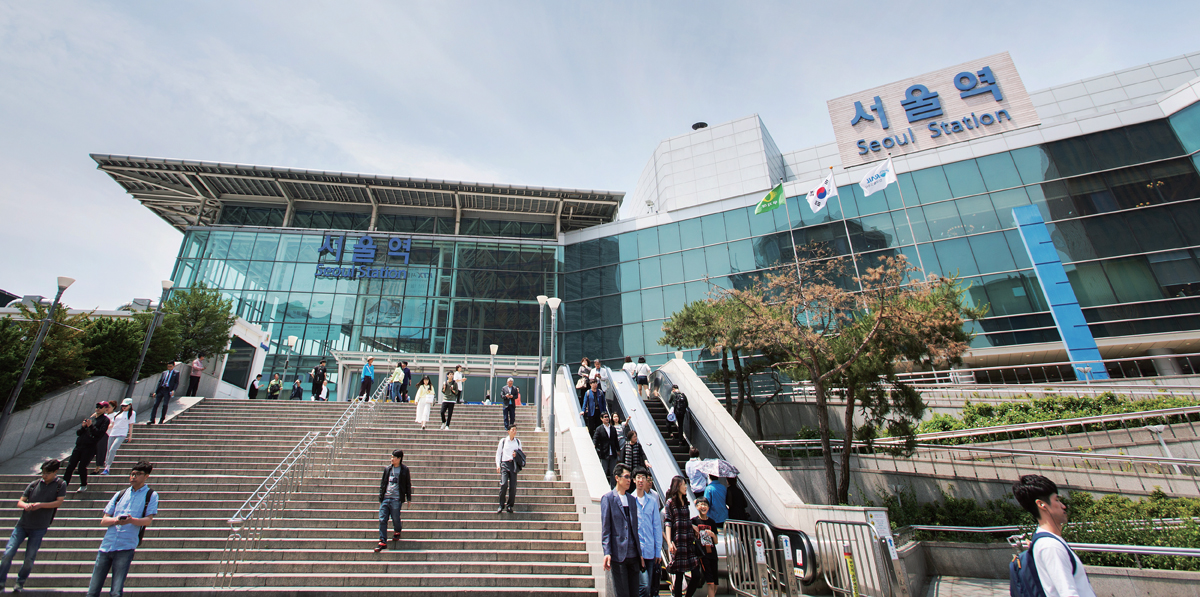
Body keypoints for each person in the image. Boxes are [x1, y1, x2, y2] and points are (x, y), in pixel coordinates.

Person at [1012, 475, 1095, 597]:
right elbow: (1068, 593)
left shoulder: (1046, 541)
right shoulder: (1050, 546)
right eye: (1057, 500)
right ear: (1041, 504)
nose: (1063, 506)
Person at [86, 461, 158, 597]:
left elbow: (148, 520)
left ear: (146, 476)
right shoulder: (120, 494)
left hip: (126, 546)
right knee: (92, 591)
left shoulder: (151, 495)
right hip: (106, 545)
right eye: (132, 474)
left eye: (138, 474)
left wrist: (132, 520)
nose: (133, 476)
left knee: (116, 591)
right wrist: (116, 520)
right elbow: (104, 520)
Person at [0, 459, 66, 592]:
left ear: (55, 472)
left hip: (39, 527)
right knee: (8, 553)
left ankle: (20, 582)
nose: (44, 476)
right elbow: (20, 501)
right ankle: (1, 582)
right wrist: (26, 505)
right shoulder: (34, 484)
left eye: (47, 473)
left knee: (29, 558)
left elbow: (58, 502)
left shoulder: (60, 484)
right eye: (43, 473)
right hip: (22, 525)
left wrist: (40, 505)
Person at [600, 463, 642, 597]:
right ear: (617, 478)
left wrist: (640, 553)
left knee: (635, 593)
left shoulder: (632, 500)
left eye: (630, 477)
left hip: (634, 554)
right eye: (626, 477)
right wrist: (607, 552)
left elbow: (635, 528)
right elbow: (606, 528)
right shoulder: (608, 499)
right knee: (622, 593)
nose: (629, 480)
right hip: (619, 555)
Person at [665, 475, 701, 597]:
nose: (686, 487)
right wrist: (669, 542)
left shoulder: (685, 502)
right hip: (678, 541)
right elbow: (668, 522)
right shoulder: (670, 503)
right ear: (677, 486)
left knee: (696, 575)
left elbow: (684, 519)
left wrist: (692, 526)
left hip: (688, 541)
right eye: (683, 484)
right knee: (679, 575)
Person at [64, 402, 110, 492]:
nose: (98, 408)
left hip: (90, 447)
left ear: (105, 409)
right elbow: (78, 433)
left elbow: (99, 434)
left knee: (82, 467)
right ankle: (64, 485)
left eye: (100, 407)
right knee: (70, 466)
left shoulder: (105, 420)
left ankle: (83, 485)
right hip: (79, 445)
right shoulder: (91, 418)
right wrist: (83, 427)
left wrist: (91, 426)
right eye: (97, 406)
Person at [374, 449, 412, 553]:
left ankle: (397, 530)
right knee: (382, 519)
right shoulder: (387, 469)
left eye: (394, 457)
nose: (392, 459)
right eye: (391, 457)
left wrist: (408, 498)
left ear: (399, 459)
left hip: (396, 499)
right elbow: (383, 484)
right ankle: (382, 540)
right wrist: (381, 497)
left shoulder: (404, 470)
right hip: (386, 498)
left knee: (395, 518)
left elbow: (408, 484)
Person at [632, 467, 662, 597]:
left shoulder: (652, 501)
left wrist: (658, 551)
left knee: (648, 587)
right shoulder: (630, 500)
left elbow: (657, 526)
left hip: (650, 550)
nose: (641, 480)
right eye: (638, 477)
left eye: (643, 478)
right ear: (634, 480)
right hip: (635, 552)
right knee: (643, 586)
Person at [691, 497, 722, 597]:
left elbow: (716, 541)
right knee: (710, 582)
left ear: (708, 507)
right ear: (697, 506)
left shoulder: (712, 522)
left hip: (713, 553)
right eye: (701, 504)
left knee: (715, 583)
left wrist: (712, 534)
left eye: (705, 505)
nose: (703, 507)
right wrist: (693, 527)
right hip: (703, 555)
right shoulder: (694, 521)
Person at [102, 399, 136, 475]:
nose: (124, 407)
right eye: (123, 405)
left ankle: (108, 467)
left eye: (125, 405)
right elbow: (113, 424)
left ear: (130, 405)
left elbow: (131, 425)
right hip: (113, 433)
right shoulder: (118, 413)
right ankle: (106, 466)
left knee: (112, 449)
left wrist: (130, 436)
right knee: (108, 450)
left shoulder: (132, 413)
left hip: (122, 434)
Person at [495, 425, 522, 514]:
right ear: (508, 431)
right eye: (512, 430)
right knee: (504, 484)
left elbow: (521, 454)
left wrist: (516, 455)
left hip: (513, 465)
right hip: (505, 464)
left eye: (515, 430)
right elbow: (498, 453)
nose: (514, 431)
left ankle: (509, 505)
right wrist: (498, 465)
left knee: (513, 486)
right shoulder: (503, 441)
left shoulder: (518, 442)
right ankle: (501, 504)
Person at [594, 412, 620, 488]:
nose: (607, 418)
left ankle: (613, 487)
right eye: (605, 417)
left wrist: (618, 450)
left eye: (607, 417)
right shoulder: (599, 429)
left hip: (613, 453)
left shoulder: (613, 428)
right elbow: (595, 438)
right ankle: (603, 487)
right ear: (601, 419)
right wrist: (594, 444)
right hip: (604, 453)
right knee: (604, 471)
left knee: (613, 472)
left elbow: (615, 440)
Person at [93, 401, 116, 475]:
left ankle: (97, 469)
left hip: (106, 434)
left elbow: (112, 424)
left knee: (101, 451)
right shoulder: (101, 415)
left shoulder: (114, 415)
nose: (107, 409)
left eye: (108, 407)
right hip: (97, 434)